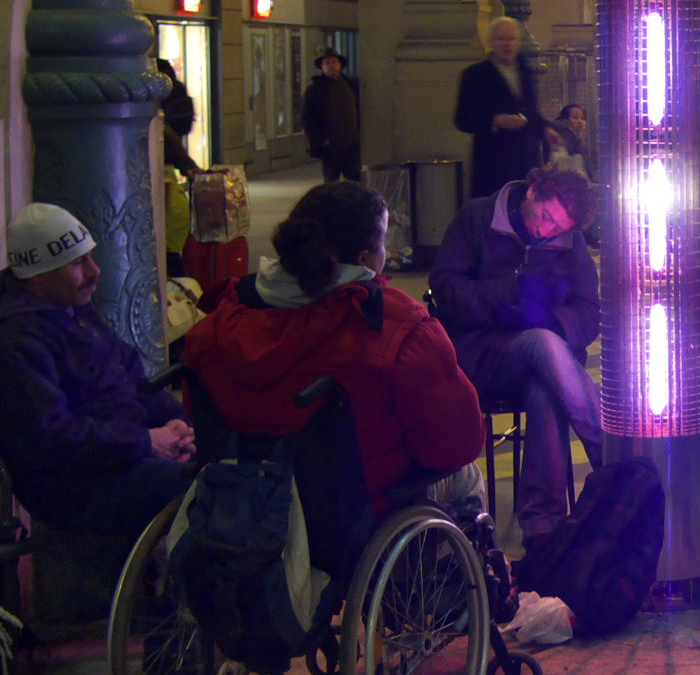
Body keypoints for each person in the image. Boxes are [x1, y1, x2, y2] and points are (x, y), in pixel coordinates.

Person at [184, 181, 484, 530]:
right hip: (353, 519)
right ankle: (465, 583)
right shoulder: (396, 327)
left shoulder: (214, 327)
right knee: (465, 475)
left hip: (236, 512)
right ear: (366, 259)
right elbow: (456, 444)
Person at [0, 203, 197, 537]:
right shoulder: (11, 342)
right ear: (39, 274)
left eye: (90, 257)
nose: (95, 272)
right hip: (76, 485)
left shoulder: (71, 308)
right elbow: (52, 438)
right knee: (211, 491)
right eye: (77, 262)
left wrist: (176, 425)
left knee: (233, 470)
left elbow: (131, 379)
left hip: (119, 456)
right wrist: (145, 442)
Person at [429, 165, 602, 541]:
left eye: (558, 228)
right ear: (531, 192)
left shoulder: (569, 244)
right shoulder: (477, 217)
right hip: (477, 354)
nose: (546, 230)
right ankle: (611, 458)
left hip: (543, 362)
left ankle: (543, 527)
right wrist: (510, 293)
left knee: (545, 388)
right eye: (545, 217)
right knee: (541, 342)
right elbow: (446, 290)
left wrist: (549, 319)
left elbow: (590, 314)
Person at [455, 17, 545, 199]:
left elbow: (533, 112)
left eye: (511, 39)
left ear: (518, 42)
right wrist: (494, 120)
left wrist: (547, 130)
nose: (506, 44)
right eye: (501, 39)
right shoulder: (475, 75)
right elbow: (462, 118)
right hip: (493, 165)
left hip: (525, 164)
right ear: (491, 43)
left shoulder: (525, 72)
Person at [303, 48, 362, 183]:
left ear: (340, 65)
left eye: (334, 62)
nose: (331, 66)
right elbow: (307, 118)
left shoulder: (350, 84)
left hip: (351, 143)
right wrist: (321, 140)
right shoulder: (316, 89)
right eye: (327, 63)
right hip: (331, 145)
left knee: (354, 180)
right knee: (331, 180)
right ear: (322, 67)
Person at [545, 104, 589, 178]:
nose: (580, 121)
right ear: (565, 120)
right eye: (575, 118)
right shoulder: (566, 135)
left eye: (582, 118)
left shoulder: (575, 136)